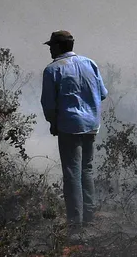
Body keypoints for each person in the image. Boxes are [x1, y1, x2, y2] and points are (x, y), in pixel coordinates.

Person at [40, 30, 108, 232]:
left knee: (71, 173)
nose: (50, 49)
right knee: (86, 170)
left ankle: (75, 224)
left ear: (59, 46)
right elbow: (102, 94)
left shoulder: (52, 70)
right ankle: (89, 218)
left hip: (70, 126)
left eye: (52, 46)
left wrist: (53, 122)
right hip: (91, 125)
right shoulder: (90, 63)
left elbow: (48, 104)